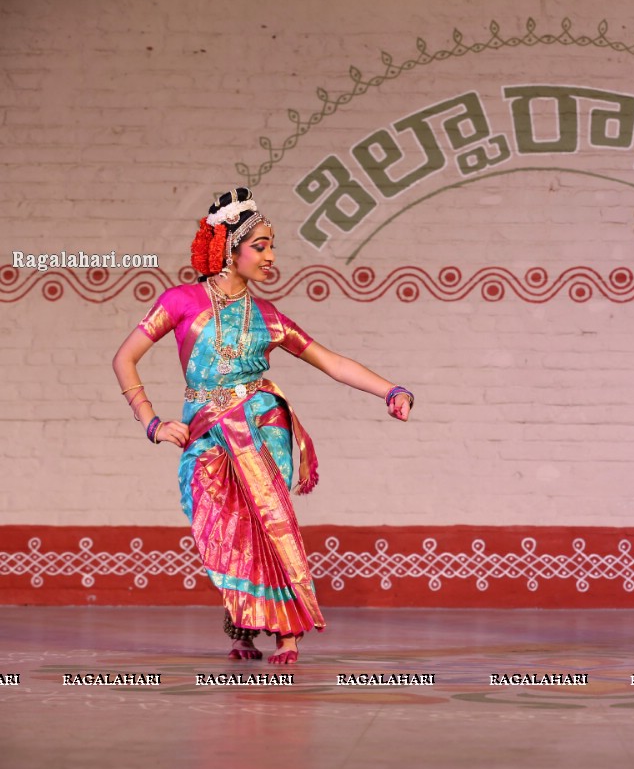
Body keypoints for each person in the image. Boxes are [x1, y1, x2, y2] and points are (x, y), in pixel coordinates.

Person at [112, 188, 415, 664]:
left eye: (272, 246)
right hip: (205, 430)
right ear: (229, 249)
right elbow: (124, 358)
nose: (271, 256)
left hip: (262, 425)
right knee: (223, 529)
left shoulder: (268, 317)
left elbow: (331, 362)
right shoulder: (181, 301)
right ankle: (242, 623)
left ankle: (287, 633)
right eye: (261, 245)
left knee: (265, 524)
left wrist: (391, 390)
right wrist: (151, 422)